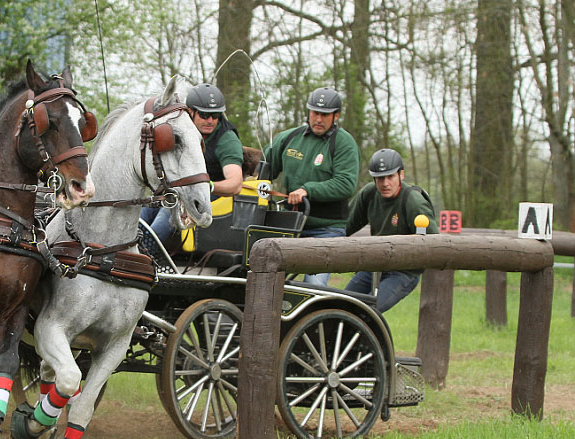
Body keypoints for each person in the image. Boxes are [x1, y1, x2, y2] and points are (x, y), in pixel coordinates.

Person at [263, 87, 360, 286]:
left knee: (313, 287)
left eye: (325, 115)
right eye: (315, 113)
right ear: (308, 112)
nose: (318, 119)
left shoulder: (343, 143)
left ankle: (316, 316)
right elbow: (263, 168)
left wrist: (307, 190)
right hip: (290, 224)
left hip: (327, 228)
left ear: (336, 116)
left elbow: (346, 184)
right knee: (265, 277)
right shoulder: (289, 138)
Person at [140, 83, 243, 243]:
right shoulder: (180, 129)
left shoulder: (227, 140)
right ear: (190, 112)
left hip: (205, 197)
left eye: (215, 115)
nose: (210, 120)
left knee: (159, 226)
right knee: (140, 218)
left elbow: (235, 184)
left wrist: (207, 186)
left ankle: (146, 257)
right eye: (204, 115)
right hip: (173, 193)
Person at [344, 148, 439, 312]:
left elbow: (435, 244)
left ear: (401, 175)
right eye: (379, 178)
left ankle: (367, 337)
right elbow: (344, 226)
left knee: (367, 312)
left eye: (390, 176)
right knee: (339, 305)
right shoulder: (369, 194)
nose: (385, 183)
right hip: (373, 265)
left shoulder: (413, 201)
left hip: (402, 272)